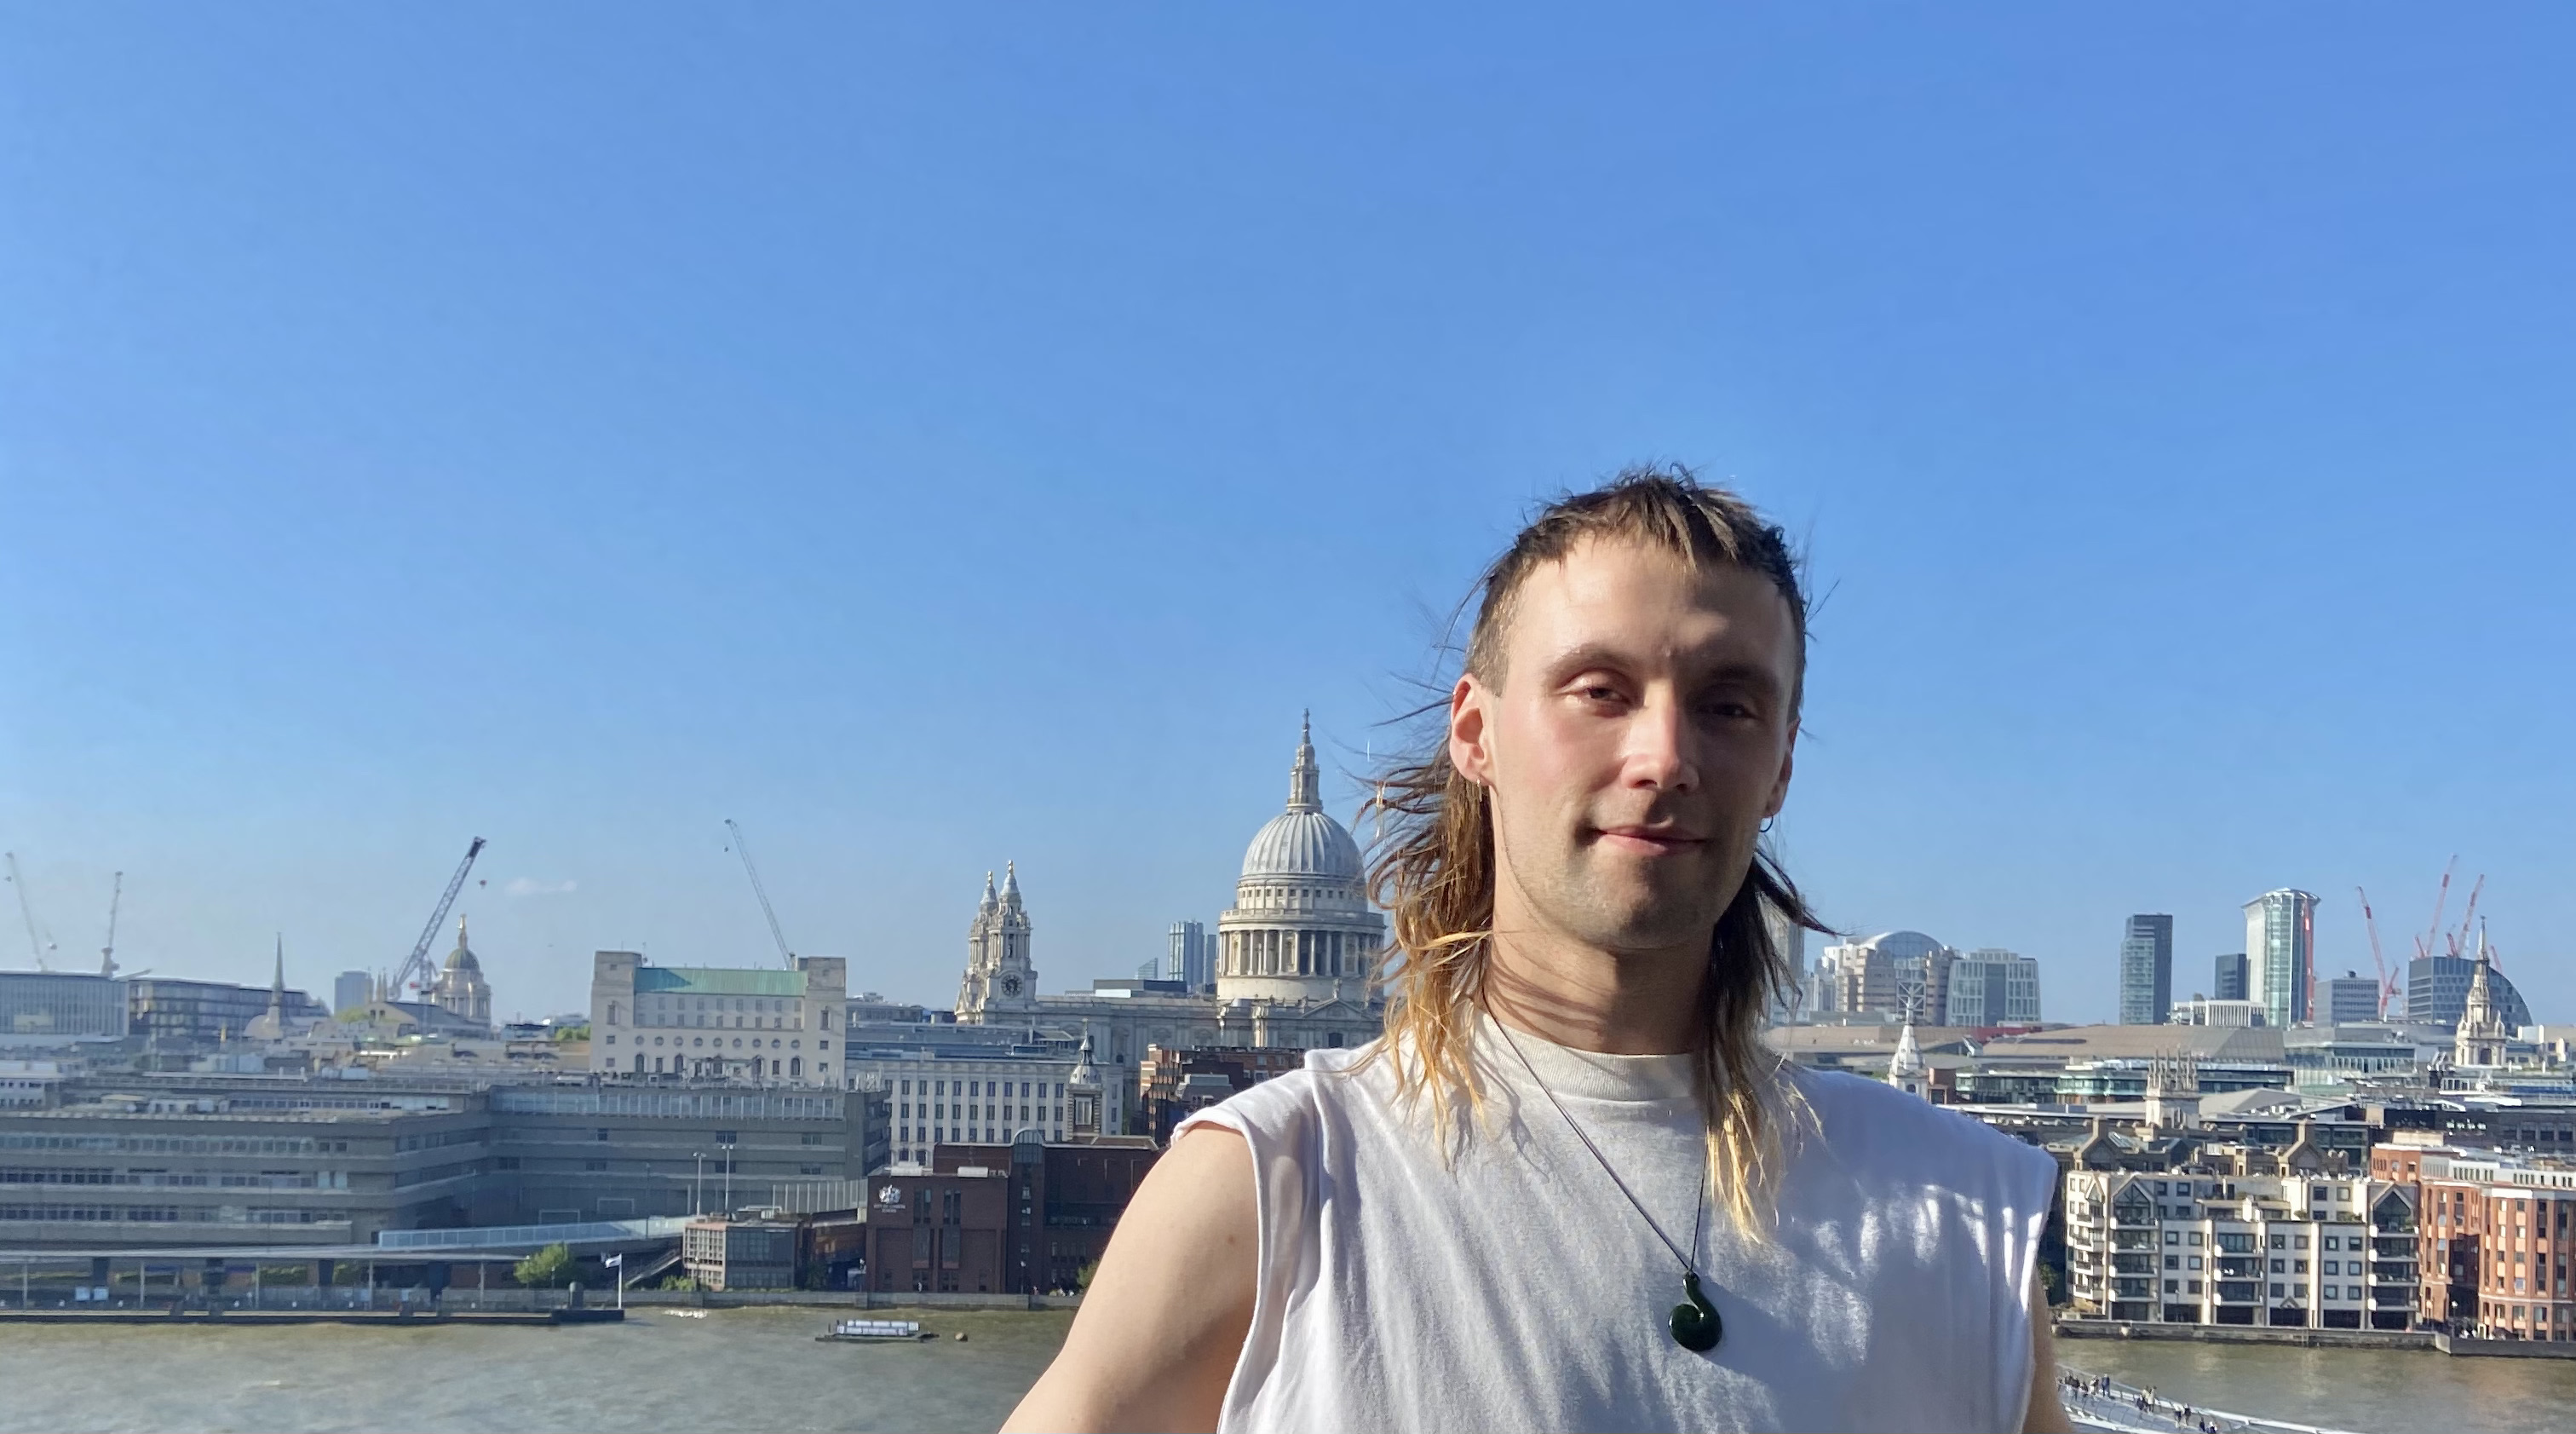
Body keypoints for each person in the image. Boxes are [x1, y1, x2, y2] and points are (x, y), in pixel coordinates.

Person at [1006, 469, 2070, 1433]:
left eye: (1727, 704)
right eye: (1599, 690)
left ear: (1782, 764)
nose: (1664, 757)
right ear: (1476, 734)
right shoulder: (1266, 1187)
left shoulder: (1966, 1218)